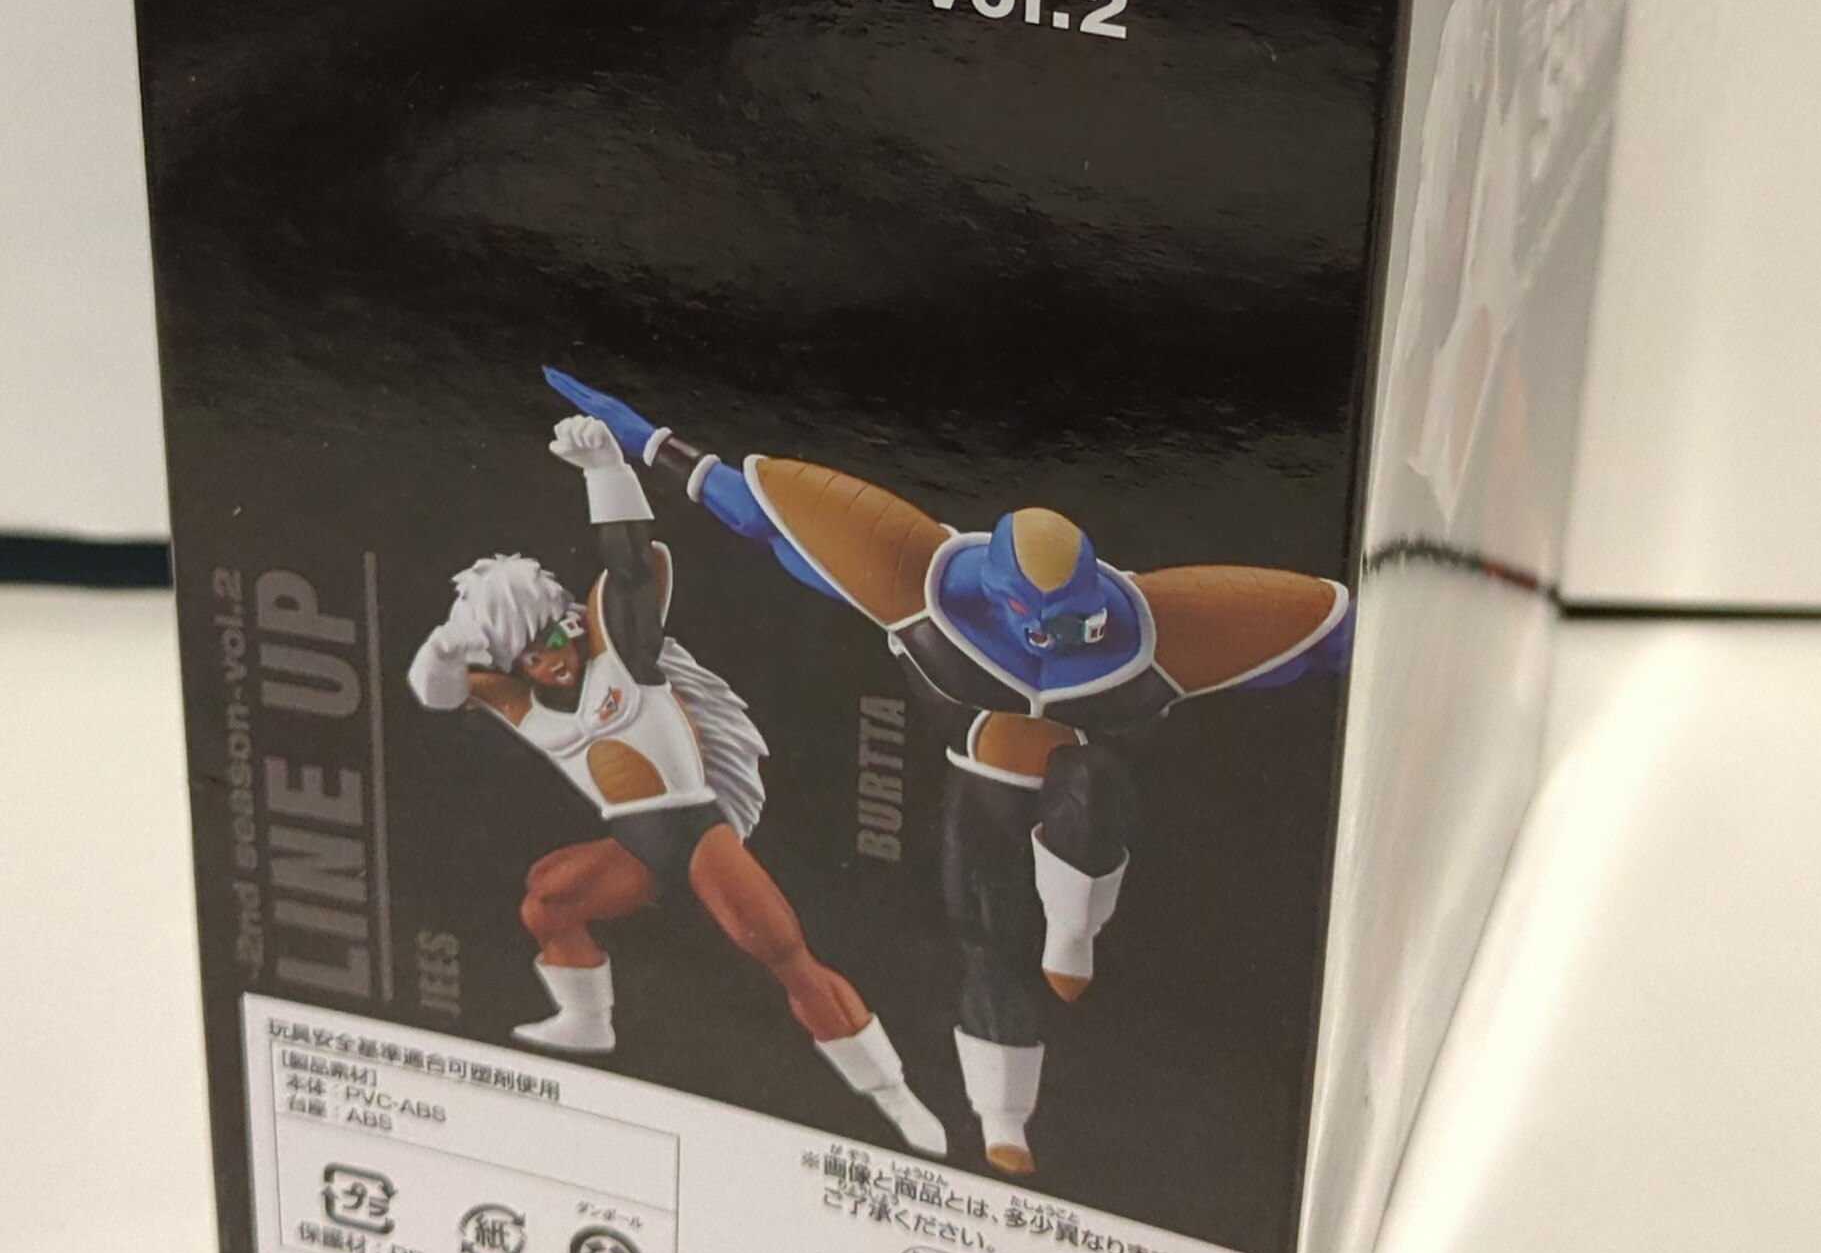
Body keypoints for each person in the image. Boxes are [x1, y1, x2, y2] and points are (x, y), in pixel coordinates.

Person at [547, 367, 1351, 1177]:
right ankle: (1002, 1118)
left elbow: (1326, 635)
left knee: (1088, 775)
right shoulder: (916, 578)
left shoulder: (1158, 626)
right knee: (988, 950)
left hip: (1083, 802)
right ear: (999, 595)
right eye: (1037, 620)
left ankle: (1072, 930)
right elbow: (757, 512)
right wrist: (642, 441)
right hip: (980, 798)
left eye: (1075, 620)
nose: (1055, 637)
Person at [408, 410, 945, 1156]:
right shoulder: (517, 700)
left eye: (555, 638)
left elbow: (630, 564)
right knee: (547, 899)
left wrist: (606, 471)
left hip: (696, 832)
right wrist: (444, 649)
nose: (551, 661)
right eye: (529, 656)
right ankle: (588, 1021)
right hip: (633, 843)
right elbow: (435, 695)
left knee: (782, 953)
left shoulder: (619, 651)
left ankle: (894, 1096)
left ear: (570, 622)